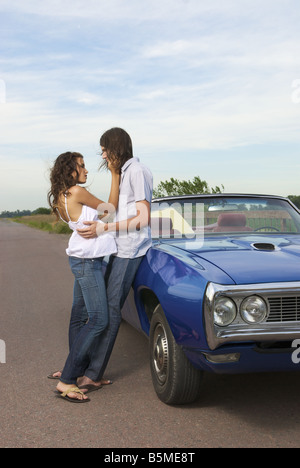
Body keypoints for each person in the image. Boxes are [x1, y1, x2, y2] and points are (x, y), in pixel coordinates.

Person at [76, 128, 153, 391]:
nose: (103, 155)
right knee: (99, 312)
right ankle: (81, 367)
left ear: (116, 147)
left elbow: (143, 218)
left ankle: (94, 374)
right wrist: (98, 223)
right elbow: (116, 213)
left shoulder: (138, 172)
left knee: (109, 311)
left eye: (105, 149)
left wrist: (103, 229)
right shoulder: (124, 173)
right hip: (118, 249)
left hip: (130, 250)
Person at [48, 151, 120, 403]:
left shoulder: (63, 195)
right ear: (70, 171)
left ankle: (76, 370)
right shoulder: (76, 193)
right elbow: (110, 209)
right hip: (87, 263)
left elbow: (98, 218)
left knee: (78, 317)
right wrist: (114, 173)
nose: (86, 171)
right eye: (82, 166)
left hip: (80, 259)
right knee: (99, 319)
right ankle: (67, 380)